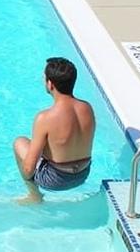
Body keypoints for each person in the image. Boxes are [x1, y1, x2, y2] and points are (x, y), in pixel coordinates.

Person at [13, 57, 95, 204]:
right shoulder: (87, 108)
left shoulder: (45, 118)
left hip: (54, 180)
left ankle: (34, 195)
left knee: (20, 142)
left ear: (50, 84)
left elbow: (28, 168)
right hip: (83, 174)